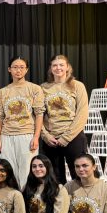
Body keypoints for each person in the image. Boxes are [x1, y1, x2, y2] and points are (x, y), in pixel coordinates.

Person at [0, 56, 44, 185]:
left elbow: (39, 114)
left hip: (26, 134)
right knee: (9, 170)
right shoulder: (3, 91)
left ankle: (26, 201)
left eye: (22, 67)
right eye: (15, 67)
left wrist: (36, 137)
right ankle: (12, 200)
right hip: (7, 136)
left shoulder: (34, 89)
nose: (18, 70)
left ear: (26, 70)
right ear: (9, 69)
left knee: (27, 170)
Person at [40, 55, 90, 183]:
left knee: (79, 174)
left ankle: (80, 201)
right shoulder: (43, 88)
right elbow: (38, 115)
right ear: (51, 68)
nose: (58, 68)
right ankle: (59, 202)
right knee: (54, 178)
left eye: (61, 65)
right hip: (51, 139)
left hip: (73, 137)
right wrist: (45, 136)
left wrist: (66, 137)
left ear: (67, 67)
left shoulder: (77, 86)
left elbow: (82, 113)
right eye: (55, 65)